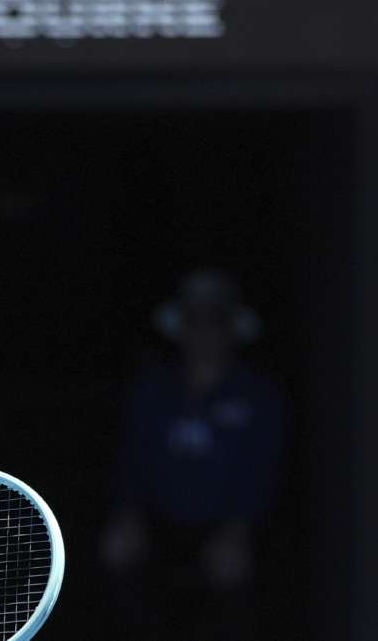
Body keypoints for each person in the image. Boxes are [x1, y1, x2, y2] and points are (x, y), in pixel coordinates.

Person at [100, 269, 288, 640]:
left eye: (213, 322)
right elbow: (131, 457)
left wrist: (239, 528)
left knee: (233, 574)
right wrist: (127, 513)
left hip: (232, 527)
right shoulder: (154, 388)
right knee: (117, 551)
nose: (203, 333)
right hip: (161, 524)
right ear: (182, 329)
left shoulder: (258, 395)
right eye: (194, 321)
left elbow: (266, 470)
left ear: (230, 329)